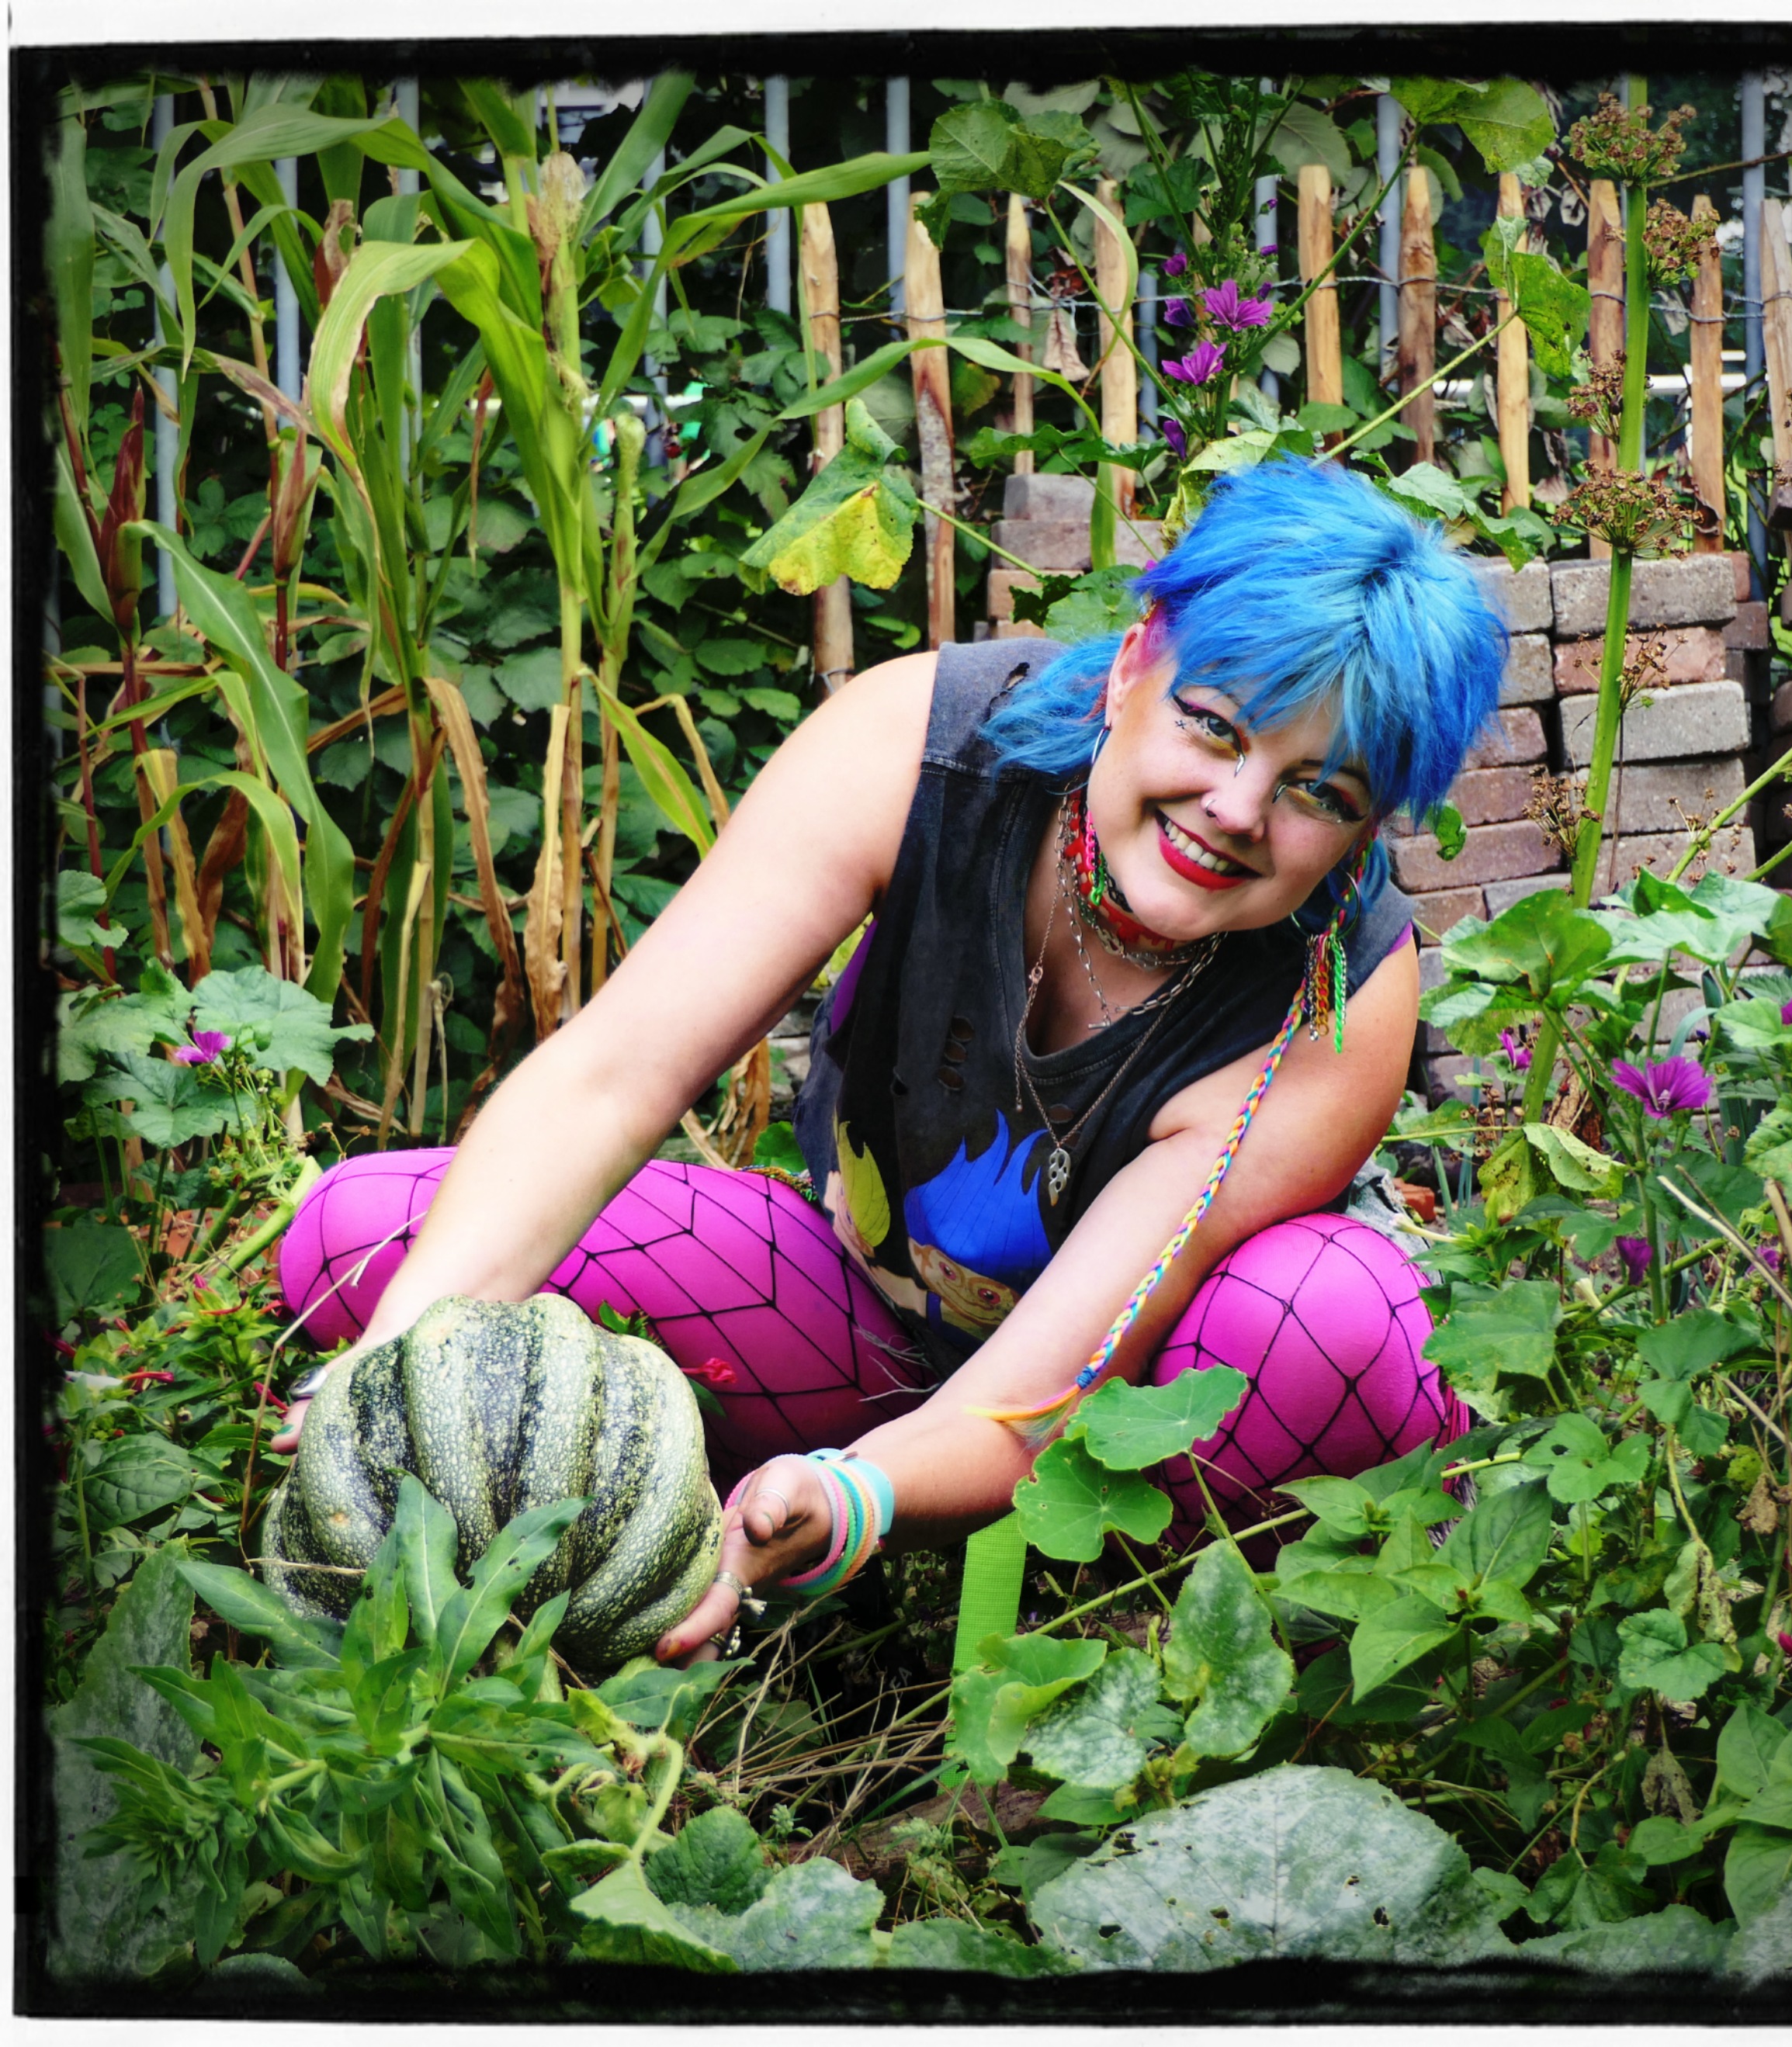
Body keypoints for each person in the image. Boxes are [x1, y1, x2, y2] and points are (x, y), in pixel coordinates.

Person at [273, 457, 1506, 1662]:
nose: (1235, 808)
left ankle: (1175, 1645)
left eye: (1317, 791)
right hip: (866, 1330)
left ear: (1363, 830)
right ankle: (683, 1533)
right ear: (1134, 660)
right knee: (365, 1243)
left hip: (1152, 1425)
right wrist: (398, 1362)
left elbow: (1048, 1395)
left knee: (1333, 1318)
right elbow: (613, 1075)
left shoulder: (1333, 1005)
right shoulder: (920, 746)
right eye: (1212, 725)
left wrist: (853, 1498)